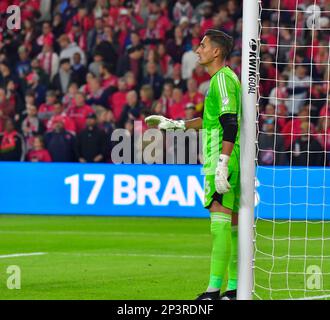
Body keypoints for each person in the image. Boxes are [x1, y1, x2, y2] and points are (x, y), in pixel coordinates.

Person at [145, 29, 240, 300]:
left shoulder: (221, 80)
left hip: (221, 158)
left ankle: (213, 291)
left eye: (202, 45)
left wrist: (222, 162)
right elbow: (213, 120)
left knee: (219, 223)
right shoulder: (226, 79)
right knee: (232, 224)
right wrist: (177, 125)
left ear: (216, 52)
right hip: (230, 157)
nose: (197, 50)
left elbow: (230, 123)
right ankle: (233, 288)